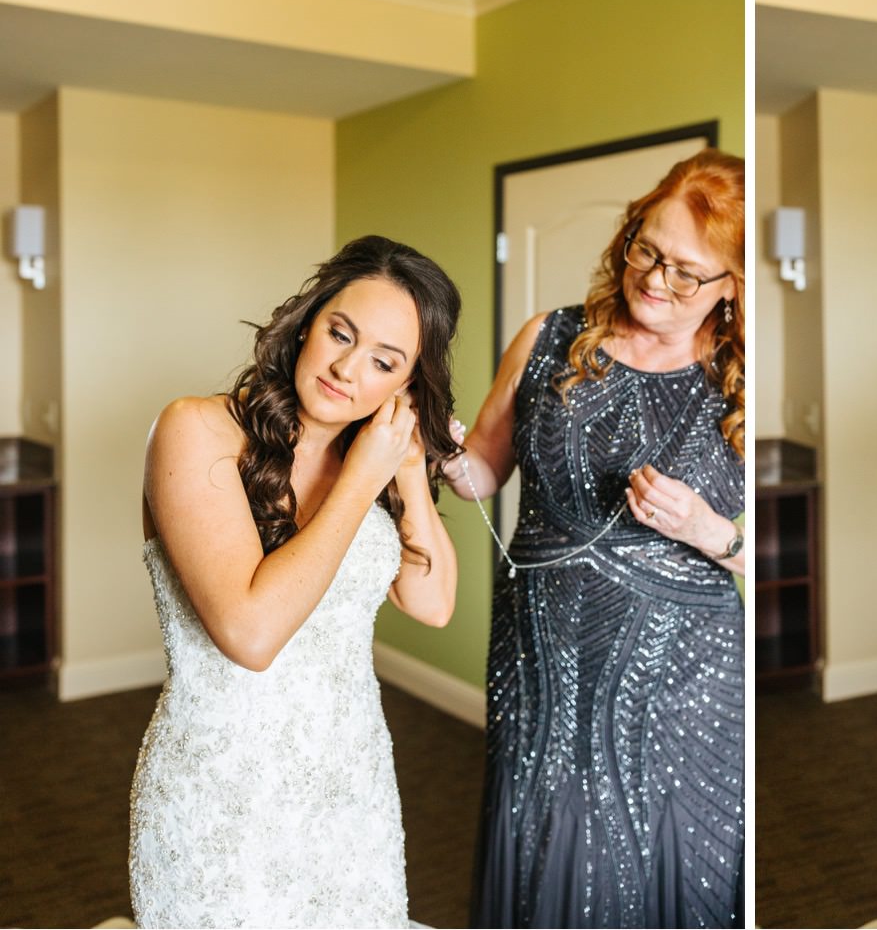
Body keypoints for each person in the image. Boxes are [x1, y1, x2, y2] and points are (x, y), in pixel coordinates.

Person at [447, 149, 745, 928]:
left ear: (732, 287)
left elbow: (760, 550)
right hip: (542, 646)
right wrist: (437, 448)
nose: (655, 278)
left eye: (688, 271)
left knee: (672, 844)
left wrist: (708, 529)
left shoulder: (745, 380)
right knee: (547, 830)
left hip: (686, 669)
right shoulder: (550, 335)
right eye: (647, 248)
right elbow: (483, 467)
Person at [128, 236, 462, 928]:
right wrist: (364, 476)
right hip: (223, 793)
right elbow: (250, 633)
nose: (347, 367)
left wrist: (404, 473)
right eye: (341, 332)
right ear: (309, 320)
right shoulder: (196, 430)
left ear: (404, 383)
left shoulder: (369, 459)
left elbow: (431, 604)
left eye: (384, 361)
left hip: (350, 782)